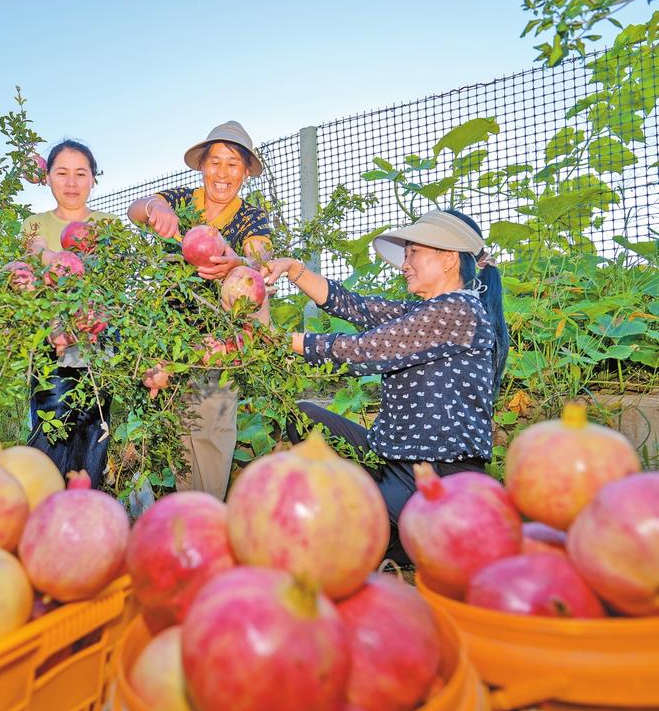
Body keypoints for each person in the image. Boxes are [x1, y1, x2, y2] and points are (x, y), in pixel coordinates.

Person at [263, 209, 509, 562]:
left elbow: (365, 351)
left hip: (437, 474)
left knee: (342, 544)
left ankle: (414, 534)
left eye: (413, 253)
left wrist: (276, 340)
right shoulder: (428, 311)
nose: (404, 265)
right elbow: (358, 307)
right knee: (304, 418)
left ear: (448, 259)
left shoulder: (459, 311)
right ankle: (390, 529)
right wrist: (292, 269)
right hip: (391, 460)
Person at [127, 121, 273, 500]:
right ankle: (184, 515)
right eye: (215, 162)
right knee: (179, 433)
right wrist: (156, 208)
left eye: (233, 164)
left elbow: (260, 261)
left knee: (212, 430)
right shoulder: (182, 201)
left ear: (245, 172)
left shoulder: (251, 217)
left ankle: (205, 513)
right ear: (202, 166)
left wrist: (237, 262)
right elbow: (135, 209)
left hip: (220, 340)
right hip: (170, 338)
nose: (223, 173)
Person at [22, 140, 119, 489]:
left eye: (81, 173)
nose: (72, 182)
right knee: (50, 428)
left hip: (97, 338)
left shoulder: (108, 225)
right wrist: (51, 258)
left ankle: (83, 504)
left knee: (92, 427)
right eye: (62, 173)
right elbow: (33, 254)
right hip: (52, 341)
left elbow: (110, 286)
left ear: (93, 178)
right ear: (47, 177)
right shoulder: (35, 223)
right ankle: (44, 504)